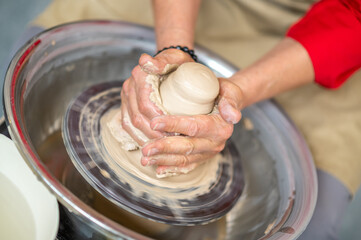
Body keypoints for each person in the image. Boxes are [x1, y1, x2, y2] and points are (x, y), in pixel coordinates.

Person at [14, 0, 361, 239]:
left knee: (313, 224)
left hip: (325, 33)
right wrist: (174, 48)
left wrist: (235, 93)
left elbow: (352, 18)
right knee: (18, 101)